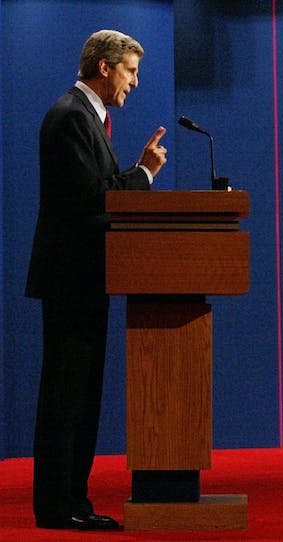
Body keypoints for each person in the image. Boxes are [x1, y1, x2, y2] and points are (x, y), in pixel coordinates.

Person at [25, 29, 167, 530]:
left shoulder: (89, 117)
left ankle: (72, 503)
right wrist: (144, 175)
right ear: (104, 68)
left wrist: (135, 175)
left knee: (80, 396)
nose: (135, 81)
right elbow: (93, 198)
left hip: (87, 277)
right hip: (71, 278)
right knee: (67, 396)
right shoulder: (70, 116)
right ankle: (57, 507)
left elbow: (99, 191)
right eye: (130, 70)